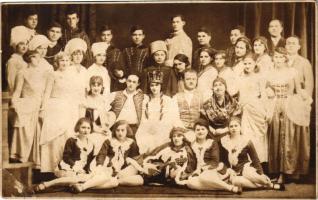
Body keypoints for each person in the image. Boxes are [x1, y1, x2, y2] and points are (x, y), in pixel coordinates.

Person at [267, 47, 312, 184]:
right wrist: (268, 90)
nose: (278, 60)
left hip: (289, 104)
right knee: (275, 137)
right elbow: (268, 88)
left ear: (285, 58)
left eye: (281, 57)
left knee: (286, 139)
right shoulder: (270, 73)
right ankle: (276, 171)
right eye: (276, 57)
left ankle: (285, 173)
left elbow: (298, 90)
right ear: (273, 58)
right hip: (274, 105)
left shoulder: (292, 72)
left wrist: (305, 101)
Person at [70, 120, 139, 193]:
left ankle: (84, 186)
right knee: (105, 176)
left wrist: (129, 163)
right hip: (105, 164)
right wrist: (100, 165)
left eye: (122, 130)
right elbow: (102, 154)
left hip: (119, 168)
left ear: (127, 131)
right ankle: (83, 186)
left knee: (116, 182)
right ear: (114, 131)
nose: (120, 133)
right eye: (117, 130)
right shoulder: (109, 141)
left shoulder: (131, 142)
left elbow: (135, 157)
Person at [40, 52, 81, 172]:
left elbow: (75, 95)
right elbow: (47, 93)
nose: (65, 63)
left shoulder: (73, 76)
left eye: (67, 60)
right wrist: (43, 109)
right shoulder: (52, 75)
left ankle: (67, 167)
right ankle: (51, 168)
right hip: (55, 108)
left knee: (68, 136)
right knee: (55, 138)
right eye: (62, 60)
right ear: (57, 62)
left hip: (69, 108)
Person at [177, 119, 242, 194]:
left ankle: (231, 188)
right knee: (190, 183)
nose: (200, 131)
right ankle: (220, 185)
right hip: (199, 173)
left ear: (207, 131)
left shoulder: (212, 143)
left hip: (214, 169)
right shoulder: (192, 145)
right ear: (194, 131)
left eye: (203, 129)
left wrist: (203, 169)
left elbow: (215, 161)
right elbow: (192, 162)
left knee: (204, 176)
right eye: (197, 130)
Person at [221, 117, 285, 191]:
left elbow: (255, 159)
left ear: (240, 127)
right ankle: (268, 185)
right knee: (235, 181)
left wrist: (261, 174)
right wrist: (228, 170)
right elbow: (222, 160)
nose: (233, 128)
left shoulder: (246, 141)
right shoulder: (224, 141)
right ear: (228, 128)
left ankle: (269, 185)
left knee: (249, 174)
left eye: (236, 126)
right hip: (233, 171)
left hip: (245, 167)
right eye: (231, 126)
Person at [9, 50, 50, 165]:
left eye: (39, 57)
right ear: (28, 58)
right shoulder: (22, 72)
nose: (38, 59)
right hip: (27, 104)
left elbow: (46, 92)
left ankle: (36, 159)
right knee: (25, 128)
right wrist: (14, 103)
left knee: (39, 130)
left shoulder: (43, 73)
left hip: (39, 105)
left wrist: (44, 105)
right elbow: (17, 91)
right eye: (34, 57)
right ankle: (21, 156)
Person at [33, 118, 95, 192]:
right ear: (78, 127)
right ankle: (47, 184)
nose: (86, 130)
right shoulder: (72, 140)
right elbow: (66, 157)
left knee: (86, 178)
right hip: (68, 167)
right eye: (83, 127)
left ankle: (66, 185)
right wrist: (75, 167)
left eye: (88, 128)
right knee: (75, 179)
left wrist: (86, 170)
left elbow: (89, 160)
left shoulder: (91, 144)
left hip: (81, 170)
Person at [126, 127, 196, 186]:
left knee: (145, 176)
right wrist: (148, 164)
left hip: (167, 174)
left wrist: (175, 170)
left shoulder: (186, 151)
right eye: (174, 136)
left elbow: (187, 166)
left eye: (179, 136)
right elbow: (152, 156)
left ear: (184, 138)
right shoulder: (167, 147)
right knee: (133, 172)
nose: (176, 138)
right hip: (156, 169)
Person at [135, 70, 178, 154]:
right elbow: (143, 118)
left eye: (157, 85)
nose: (154, 88)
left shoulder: (168, 100)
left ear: (161, 86)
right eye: (152, 85)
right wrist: (149, 127)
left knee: (160, 141)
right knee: (143, 139)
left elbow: (170, 118)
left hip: (163, 129)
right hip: (147, 128)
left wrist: (158, 128)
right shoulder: (145, 99)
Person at [238, 53, 270, 165]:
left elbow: (264, 94)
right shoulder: (241, 77)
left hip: (257, 107)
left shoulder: (260, 77)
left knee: (258, 136)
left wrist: (266, 110)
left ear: (255, 63)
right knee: (247, 135)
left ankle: (261, 164)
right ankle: (250, 163)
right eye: (245, 63)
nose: (247, 66)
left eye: (249, 63)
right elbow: (240, 95)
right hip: (245, 109)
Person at [84, 76, 116, 153]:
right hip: (89, 129)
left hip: (102, 128)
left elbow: (107, 117)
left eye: (98, 85)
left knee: (108, 138)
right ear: (90, 86)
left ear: (102, 87)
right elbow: (86, 119)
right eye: (93, 85)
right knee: (95, 140)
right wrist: (98, 130)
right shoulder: (86, 99)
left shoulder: (103, 100)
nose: (96, 88)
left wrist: (106, 128)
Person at [172, 69, 204, 142]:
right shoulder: (176, 97)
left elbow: (204, 116)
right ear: (183, 81)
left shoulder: (202, 96)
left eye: (193, 79)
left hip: (198, 130)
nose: (191, 81)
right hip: (180, 130)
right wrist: (184, 130)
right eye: (188, 79)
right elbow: (174, 117)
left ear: (197, 81)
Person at [98, 25, 126, 92]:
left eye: (108, 35)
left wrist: (120, 73)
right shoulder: (95, 50)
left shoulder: (117, 52)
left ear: (111, 36)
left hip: (113, 84)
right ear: (100, 36)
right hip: (98, 82)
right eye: (103, 35)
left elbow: (122, 69)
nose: (105, 37)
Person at [7, 25, 31, 94]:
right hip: (17, 95)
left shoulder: (22, 60)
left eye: (26, 44)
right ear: (15, 45)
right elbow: (11, 82)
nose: (24, 47)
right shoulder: (12, 61)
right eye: (21, 44)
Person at [64, 38, 88, 106]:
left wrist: (85, 101)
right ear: (71, 56)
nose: (78, 57)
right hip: (70, 100)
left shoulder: (84, 70)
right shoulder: (67, 69)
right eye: (75, 54)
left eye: (80, 54)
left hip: (82, 101)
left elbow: (85, 88)